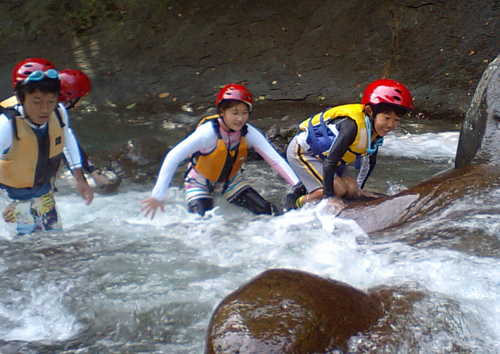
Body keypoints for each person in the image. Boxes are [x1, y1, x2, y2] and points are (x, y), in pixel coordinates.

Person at [141, 84, 300, 218]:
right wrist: (158, 195)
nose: (240, 119)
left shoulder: (249, 133)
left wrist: (298, 186)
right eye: (235, 113)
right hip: (199, 183)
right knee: (204, 227)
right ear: (222, 112)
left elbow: (275, 160)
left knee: (270, 213)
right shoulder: (207, 133)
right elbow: (173, 157)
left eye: (244, 113)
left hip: (231, 182)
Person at [285, 79, 413, 212]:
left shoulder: (375, 132)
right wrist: (330, 197)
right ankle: (295, 201)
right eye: (386, 118)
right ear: (370, 111)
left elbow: (369, 162)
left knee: (351, 189)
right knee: (338, 189)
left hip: (326, 158)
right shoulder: (351, 126)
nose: (391, 125)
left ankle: (311, 185)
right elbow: (330, 161)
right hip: (303, 152)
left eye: (396, 120)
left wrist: (360, 189)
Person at [0, 59, 94, 234]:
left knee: (56, 245)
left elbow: (67, 140)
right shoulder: (6, 124)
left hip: (44, 196)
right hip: (12, 200)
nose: (45, 109)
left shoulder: (58, 112)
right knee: (21, 253)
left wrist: (79, 178)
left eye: (51, 101)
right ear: (21, 97)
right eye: (37, 101)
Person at [58, 69, 121, 192]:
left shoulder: (48, 106)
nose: (81, 102)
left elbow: (70, 144)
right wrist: (81, 180)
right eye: (81, 97)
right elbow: (63, 147)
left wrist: (92, 172)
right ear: (71, 98)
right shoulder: (53, 113)